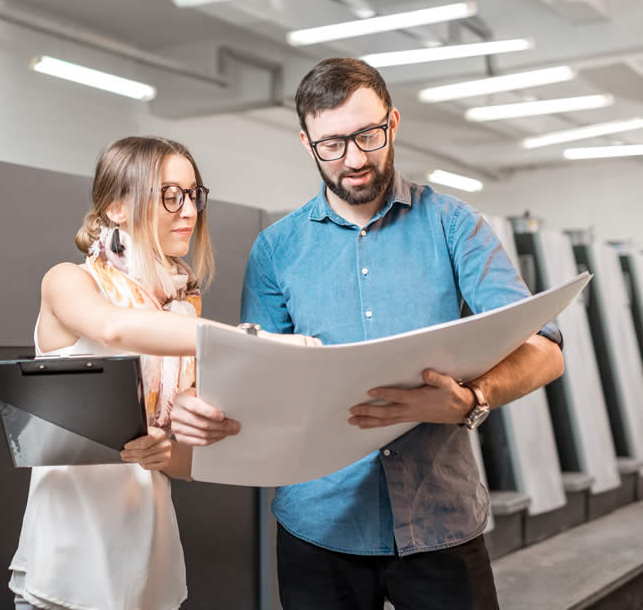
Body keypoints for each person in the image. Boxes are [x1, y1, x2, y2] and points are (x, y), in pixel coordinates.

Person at [172, 58, 564, 610]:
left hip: (440, 520)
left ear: (393, 123)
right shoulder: (276, 250)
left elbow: (545, 349)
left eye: (367, 135)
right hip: (319, 526)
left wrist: (472, 399)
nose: (354, 159)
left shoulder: (455, 225)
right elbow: (259, 377)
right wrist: (203, 405)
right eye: (333, 143)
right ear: (307, 144)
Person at [9, 136, 307, 610]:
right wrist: (257, 340)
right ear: (117, 207)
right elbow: (116, 329)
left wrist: (171, 446)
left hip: (148, 565)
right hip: (66, 565)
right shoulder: (69, 281)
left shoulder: (182, 313)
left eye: (193, 194)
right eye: (170, 195)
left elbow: (184, 463)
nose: (188, 210)